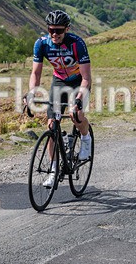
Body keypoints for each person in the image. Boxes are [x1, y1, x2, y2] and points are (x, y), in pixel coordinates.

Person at [24, 10, 92, 187]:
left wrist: (79, 99)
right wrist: (31, 93)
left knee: (76, 114)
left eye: (59, 30)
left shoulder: (77, 43)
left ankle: (86, 139)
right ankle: (53, 171)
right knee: (52, 125)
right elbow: (36, 73)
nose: (54, 34)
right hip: (59, 81)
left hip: (78, 81)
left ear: (67, 29)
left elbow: (86, 77)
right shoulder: (42, 44)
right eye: (51, 30)